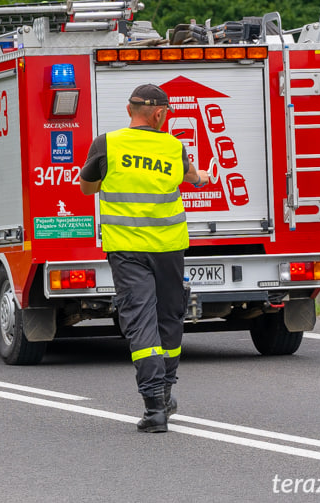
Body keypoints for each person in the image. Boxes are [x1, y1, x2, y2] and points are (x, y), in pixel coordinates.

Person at [80, 83, 209, 433]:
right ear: (159, 114)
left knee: (140, 323)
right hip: (169, 249)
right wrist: (201, 176)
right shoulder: (173, 146)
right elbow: (193, 177)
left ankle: (155, 408)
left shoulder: (106, 143)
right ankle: (165, 392)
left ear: (128, 110)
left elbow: (87, 187)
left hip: (127, 251)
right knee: (169, 319)